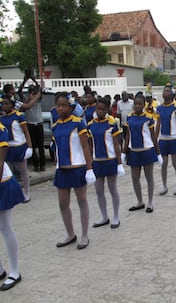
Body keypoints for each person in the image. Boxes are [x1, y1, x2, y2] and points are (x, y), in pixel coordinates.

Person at [52, 92, 96, 250]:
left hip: (78, 168)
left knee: (82, 201)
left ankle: (84, 235)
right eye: (58, 105)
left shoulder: (78, 123)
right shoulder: (55, 126)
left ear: (70, 107)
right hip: (62, 170)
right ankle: (70, 234)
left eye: (64, 105)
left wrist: (89, 169)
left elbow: (85, 147)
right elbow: (56, 148)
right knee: (62, 204)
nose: (61, 108)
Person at [88, 97, 124, 228]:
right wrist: (89, 164)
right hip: (97, 161)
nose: (100, 111)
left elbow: (116, 144)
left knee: (112, 188)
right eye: (98, 108)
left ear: (108, 109)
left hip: (110, 160)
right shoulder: (90, 124)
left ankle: (116, 216)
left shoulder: (112, 123)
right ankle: (104, 216)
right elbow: (90, 145)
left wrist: (119, 163)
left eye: (103, 109)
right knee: (98, 190)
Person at [123, 94, 161, 213]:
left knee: (149, 177)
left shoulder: (149, 117)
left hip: (147, 150)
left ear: (144, 105)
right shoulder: (129, 117)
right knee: (135, 178)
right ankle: (139, 201)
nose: (137, 106)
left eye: (140, 104)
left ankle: (150, 202)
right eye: (135, 104)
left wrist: (158, 152)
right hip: (134, 151)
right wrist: (124, 151)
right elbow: (127, 135)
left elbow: (153, 135)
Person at [0, 121, 25, 291]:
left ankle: (14, 272)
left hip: (2, 183)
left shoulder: (0, 130)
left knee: (5, 227)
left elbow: (0, 164)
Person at [156, 84, 176, 196]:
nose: (165, 93)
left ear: (172, 94)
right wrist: (155, 139)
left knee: (175, 163)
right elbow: (158, 124)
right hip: (163, 139)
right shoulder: (159, 108)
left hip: (174, 138)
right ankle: (164, 185)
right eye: (164, 91)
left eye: (168, 91)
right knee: (163, 164)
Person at [0, 95, 33, 203]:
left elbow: (26, 132)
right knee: (8, 172)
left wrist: (29, 147)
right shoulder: (2, 118)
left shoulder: (19, 116)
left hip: (19, 146)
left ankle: (27, 192)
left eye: (7, 103)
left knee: (23, 171)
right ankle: (11, 194)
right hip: (7, 148)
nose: (4, 106)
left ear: (12, 104)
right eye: (3, 104)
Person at [17, 75, 46, 172]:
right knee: (32, 145)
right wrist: (24, 81)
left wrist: (34, 80)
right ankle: (36, 165)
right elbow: (19, 92)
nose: (32, 92)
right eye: (30, 90)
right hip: (29, 124)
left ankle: (43, 165)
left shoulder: (38, 98)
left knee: (41, 146)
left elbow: (40, 90)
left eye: (33, 90)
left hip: (39, 123)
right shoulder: (25, 99)